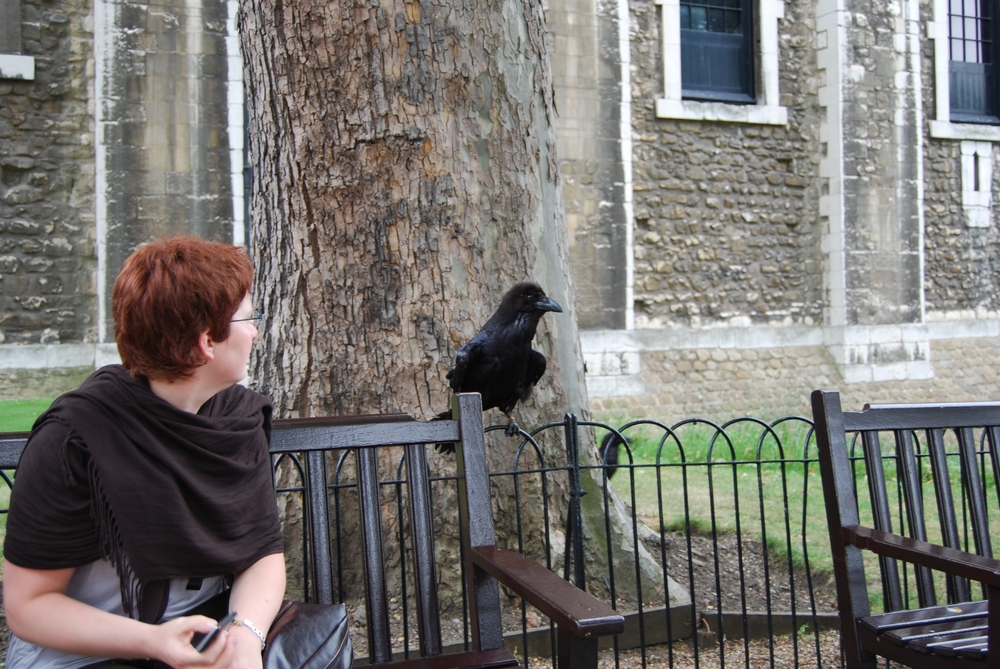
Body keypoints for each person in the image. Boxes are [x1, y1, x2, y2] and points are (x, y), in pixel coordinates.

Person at [3, 237, 286, 669]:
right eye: (249, 317)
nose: (255, 330)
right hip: (82, 657)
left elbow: (262, 553)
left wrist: (245, 635)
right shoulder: (74, 440)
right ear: (207, 341)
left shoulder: (238, 419)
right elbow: (29, 605)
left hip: (206, 644)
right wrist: (154, 642)